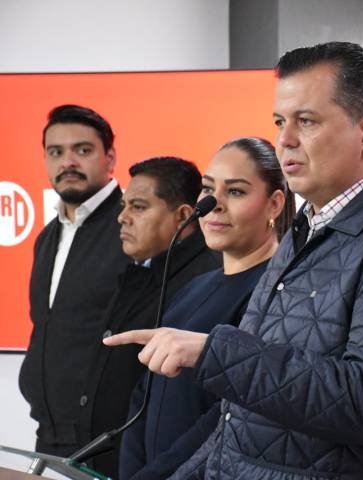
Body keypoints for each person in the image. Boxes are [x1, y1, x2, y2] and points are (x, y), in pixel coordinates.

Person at [105, 41, 363, 479]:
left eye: (307, 121)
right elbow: (239, 424)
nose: (285, 140)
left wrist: (214, 352)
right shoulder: (308, 229)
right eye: (281, 122)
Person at [119, 138, 294, 480]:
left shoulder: (279, 293)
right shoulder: (193, 288)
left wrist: (157, 476)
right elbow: (145, 392)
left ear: (274, 204)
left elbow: (227, 416)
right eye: (209, 189)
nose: (215, 205)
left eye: (236, 191)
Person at [81, 156, 221, 478]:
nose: (122, 217)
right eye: (124, 206)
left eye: (139, 207)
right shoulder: (143, 270)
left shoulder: (206, 281)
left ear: (183, 216)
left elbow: (195, 412)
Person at [19, 104, 130, 460]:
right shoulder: (47, 236)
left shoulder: (134, 228)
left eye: (82, 150)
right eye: (56, 152)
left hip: (111, 438)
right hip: (49, 432)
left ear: (110, 158)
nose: (68, 162)